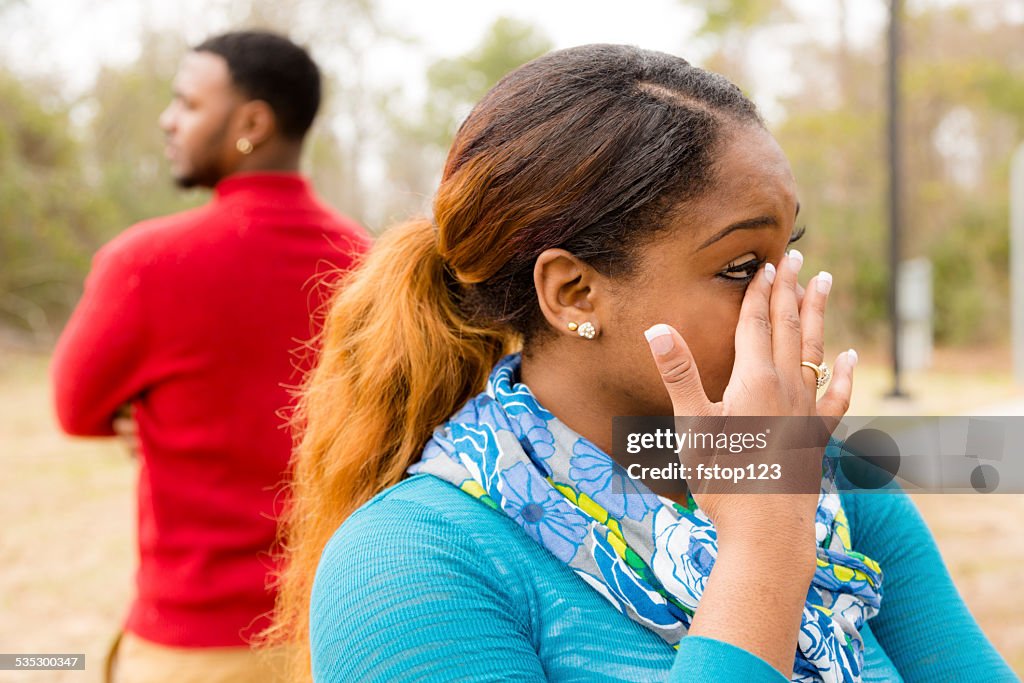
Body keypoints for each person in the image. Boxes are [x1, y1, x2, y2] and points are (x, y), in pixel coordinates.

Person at [273, 45, 1017, 682]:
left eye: (788, 253)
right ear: (574, 293)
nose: (783, 299)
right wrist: (762, 550)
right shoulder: (411, 562)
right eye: (739, 266)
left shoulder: (838, 494)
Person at [51, 30, 370, 683]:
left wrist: (152, 418)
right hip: (336, 635)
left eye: (188, 104)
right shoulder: (368, 263)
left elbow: (76, 408)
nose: (168, 120)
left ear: (251, 121)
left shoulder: (145, 263)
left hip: (192, 646)